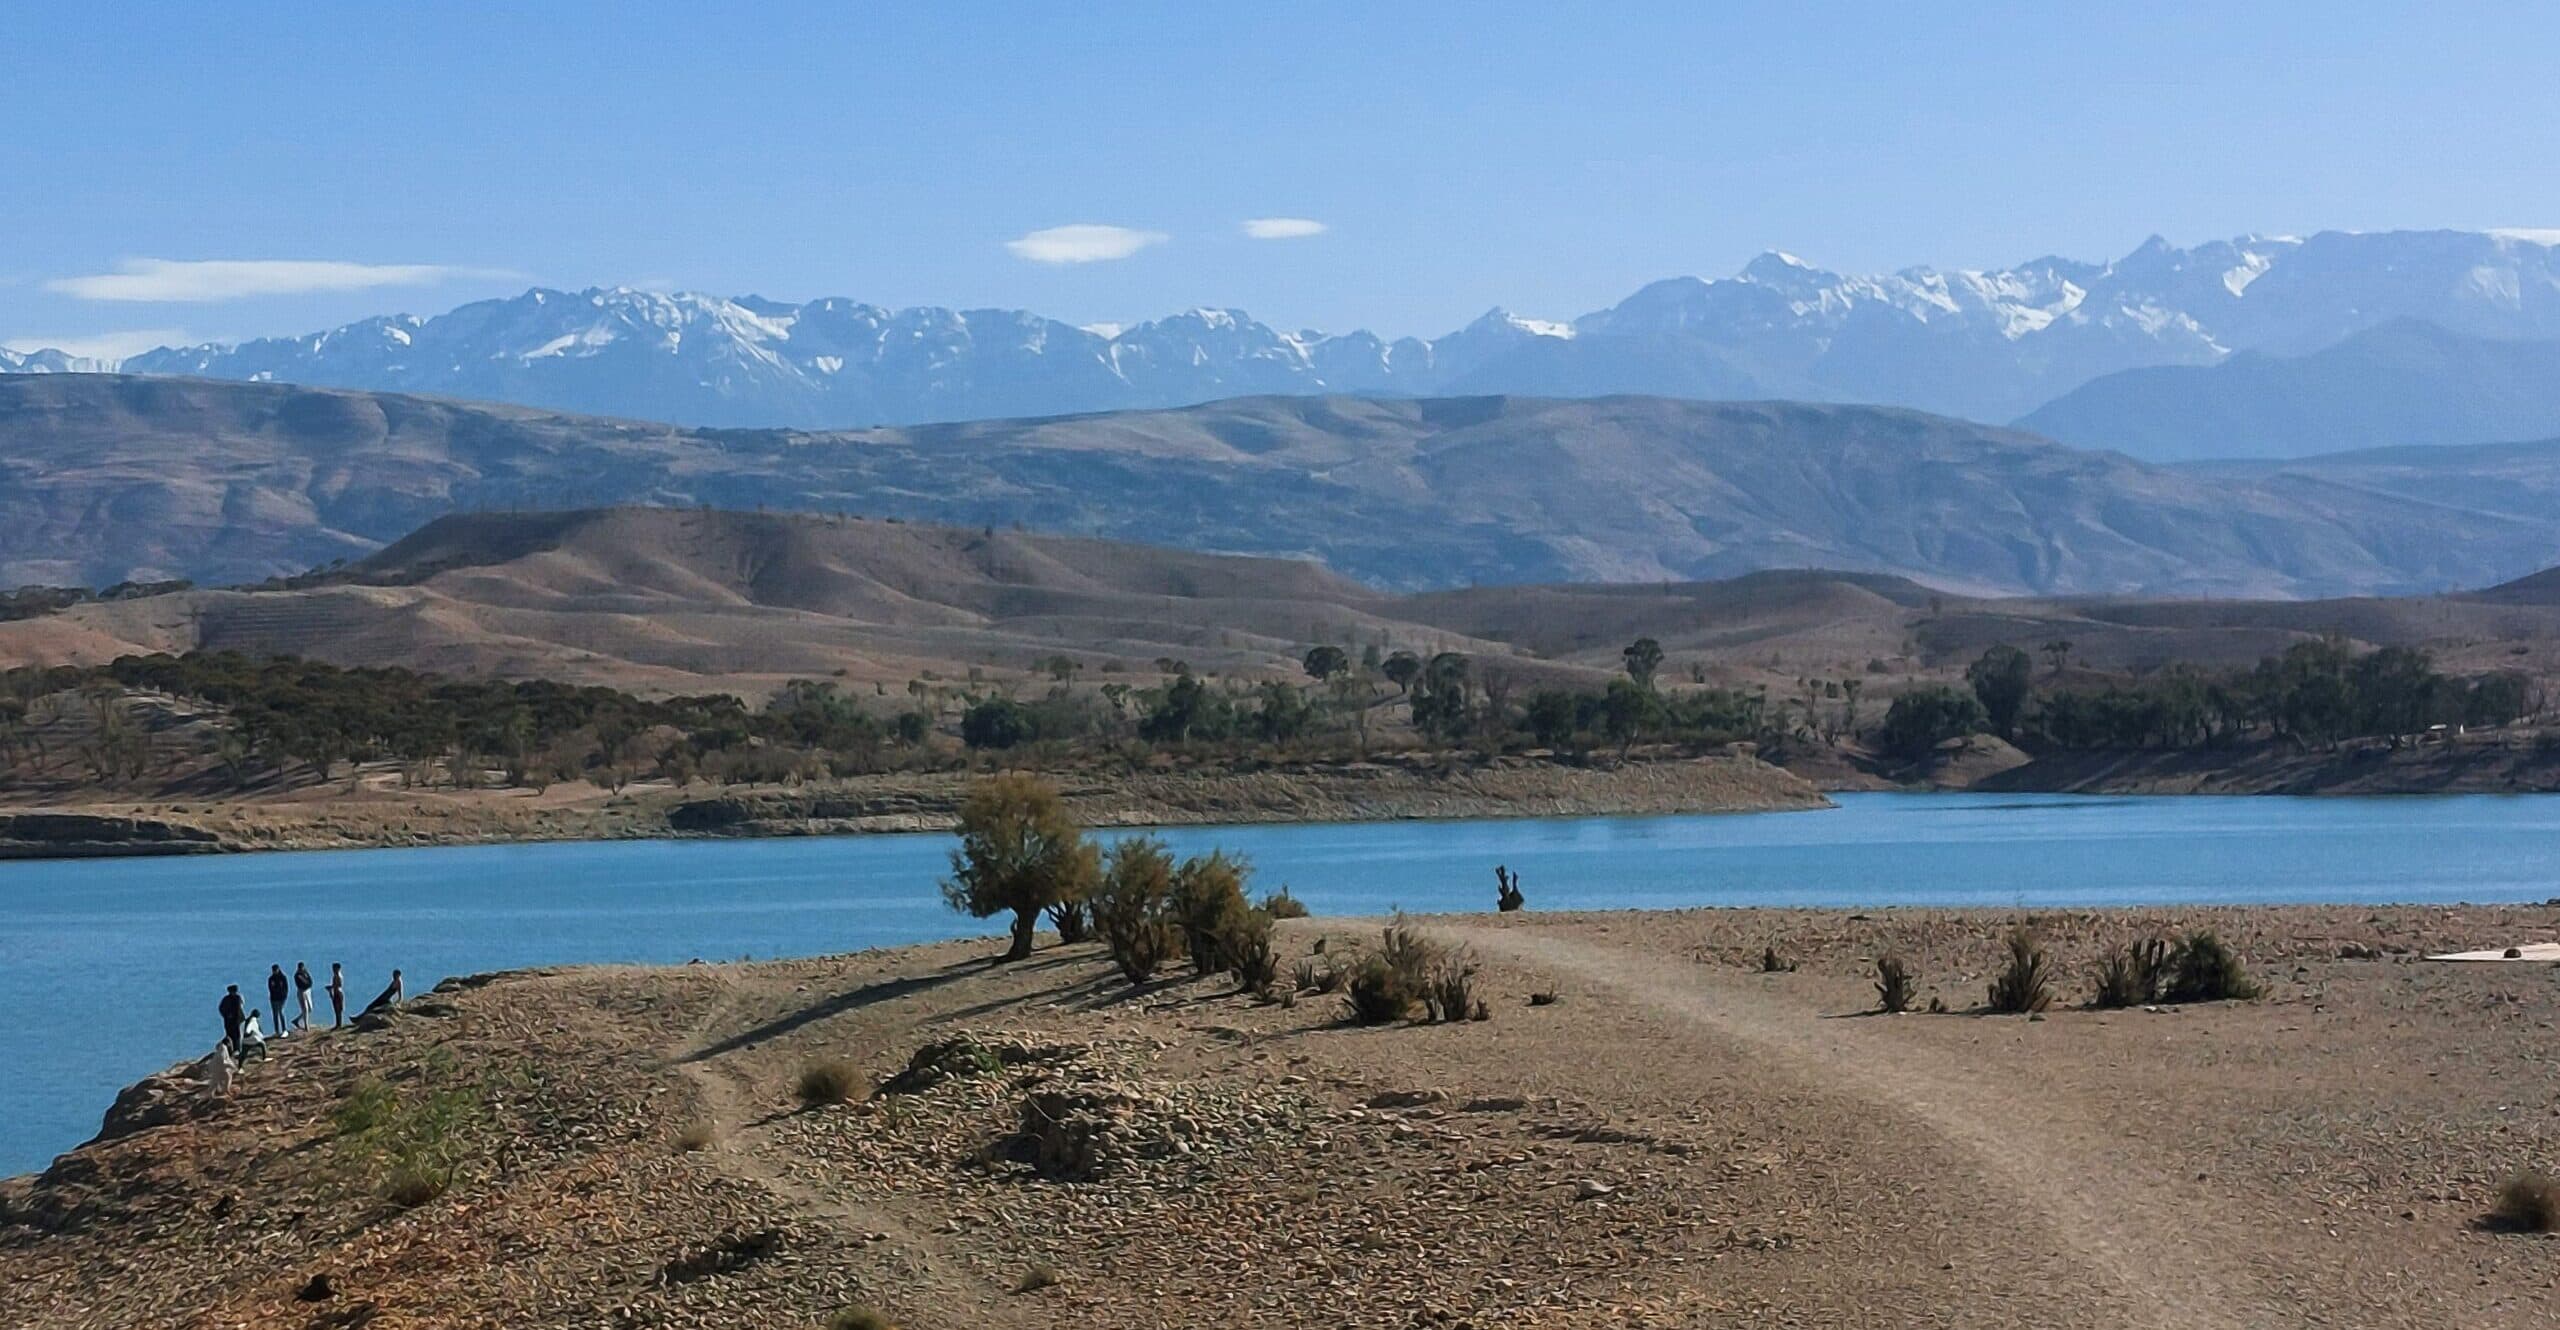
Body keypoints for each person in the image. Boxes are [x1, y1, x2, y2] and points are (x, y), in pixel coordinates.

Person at [218, 984, 247, 1056]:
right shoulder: (228, 999)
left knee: (236, 1035)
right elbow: (221, 1008)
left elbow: (239, 1009)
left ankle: (237, 1049)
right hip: (230, 1021)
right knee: (231, 1035)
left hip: (235, 1020)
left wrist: (226, 1016)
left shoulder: (236, 998)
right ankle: (232, 1050)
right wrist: (226, 1015)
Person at [266, 964, 289, 1038]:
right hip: (273, 999)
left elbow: (286, 988)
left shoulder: (283, 978)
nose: (274, 972)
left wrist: (284, 995)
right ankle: (277, 1030)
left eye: (275, 970)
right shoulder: (271, 979)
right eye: (273, 971)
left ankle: (284, 1029)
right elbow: (270, 988)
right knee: (275, 1014)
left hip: (281, 998)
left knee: (281, 1012)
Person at [292, 962, 315, 1032]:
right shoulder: (297, 975)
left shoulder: (306, 973)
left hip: (308, 991)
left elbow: (310, 981)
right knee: (305, 1009)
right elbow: (302, 984)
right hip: (302, 992)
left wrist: (309, 984)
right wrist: (307, 984)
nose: (301, 969)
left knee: (310, 1008)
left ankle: (297, 1019)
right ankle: (306, 1026)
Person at [327, 963, 346, 1028]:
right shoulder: (335, 975)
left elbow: (339, 985)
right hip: (336, 992)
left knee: (338, 1009)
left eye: (334, 968)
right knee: (336, 1009)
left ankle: (339, 1024)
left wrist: (331, 987)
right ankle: (338, 1023)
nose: (333, 970)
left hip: (338, 993)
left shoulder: (338, 976)